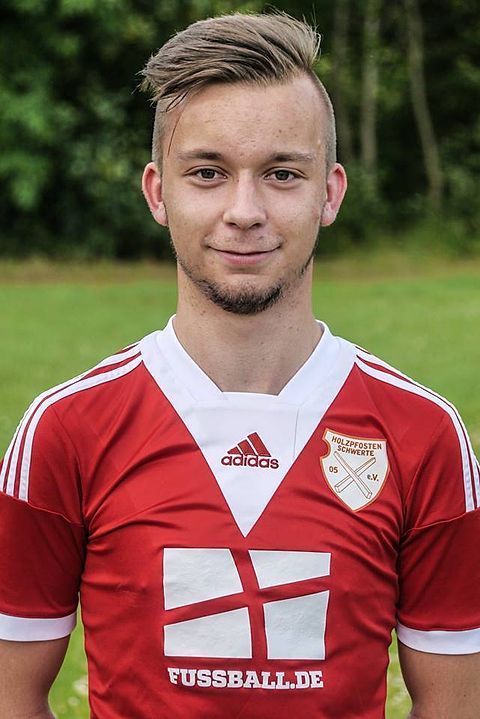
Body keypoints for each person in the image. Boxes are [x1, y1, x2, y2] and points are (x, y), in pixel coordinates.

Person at [0, 11, 479, 719]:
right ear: (158, 192)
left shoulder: (423, 433)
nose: (244, 210)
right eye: (208, 173)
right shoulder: (64, 429)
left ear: (330, 193)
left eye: (282, 173)